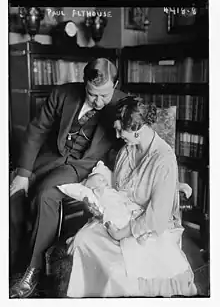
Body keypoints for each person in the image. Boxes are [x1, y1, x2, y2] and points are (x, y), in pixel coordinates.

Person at [9, 58, 126, 298]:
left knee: (44, 195)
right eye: (93, 95)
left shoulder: (122, 105)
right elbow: (37, 130)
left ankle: (34, 270)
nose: (99, 101)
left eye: (104, 95)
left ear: (115, 85)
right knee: (14, 191)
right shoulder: (63, 93)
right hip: (51, 158)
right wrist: (22, 174)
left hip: (83, 167)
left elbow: (132, 146)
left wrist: (101, 174)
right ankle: (12, 262)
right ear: (84, 84)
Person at [66, 96, 197, 298]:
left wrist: (121, 233)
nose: (117, 136)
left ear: (137, 128)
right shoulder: (126, 151)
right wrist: (97, 199)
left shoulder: (164, 159)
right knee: (84, 239)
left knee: (118, 272)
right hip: (122, 215)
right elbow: (119, 187)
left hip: (148, 229)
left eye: (121, 130)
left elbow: (157, 217)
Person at [58, 162, 143, 229]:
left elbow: (117, 195)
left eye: (103, 178)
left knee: (130, 208)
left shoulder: (107, 189)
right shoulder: (99, 191)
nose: (104, 180)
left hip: (119, 201)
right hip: (113, 207)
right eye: (100, 180)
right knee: (121, 217)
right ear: (93, 187)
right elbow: (106, 203)